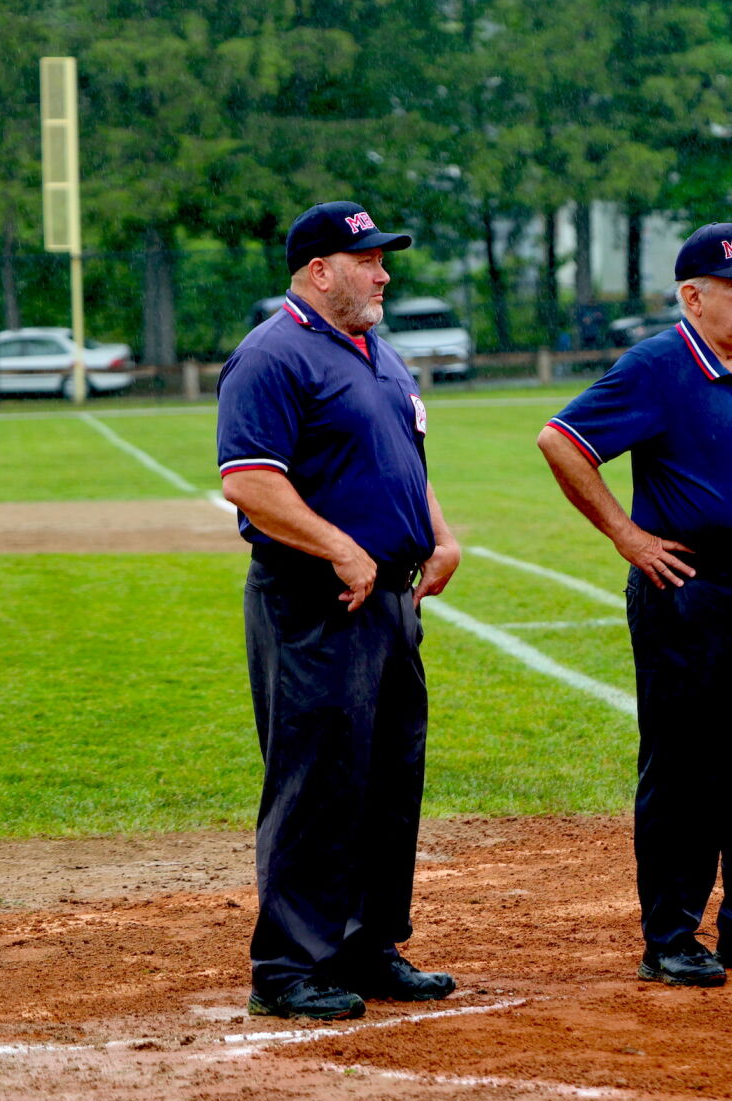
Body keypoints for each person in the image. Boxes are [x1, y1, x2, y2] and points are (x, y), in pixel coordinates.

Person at [536, 223, 732, 989]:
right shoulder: (657, 366)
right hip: (686, 594)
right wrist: (628, 536)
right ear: (692, 295)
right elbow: (561, 440)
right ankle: (670, 935)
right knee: (685, 768)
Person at [217, 201, 462, 1020]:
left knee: (389, 776)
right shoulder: (273, 354)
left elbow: (402, 458)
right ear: (319, 270)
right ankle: (287, 966)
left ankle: (368, 943)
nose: (384, 272)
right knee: (317, 778)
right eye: (368, 260)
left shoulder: (379, 355)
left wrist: (438, 530)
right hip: (314, 600)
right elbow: (250, 481)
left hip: (390, 600)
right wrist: (337, 545)